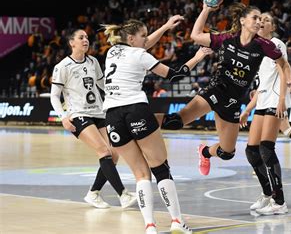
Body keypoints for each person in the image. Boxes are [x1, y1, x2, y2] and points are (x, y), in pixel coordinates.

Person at [102, 16, 210, 234]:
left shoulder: (112, 52)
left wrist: (165, 27)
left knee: (141, 175)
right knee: (160, 168)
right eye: (143, 35)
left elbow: (143, 45)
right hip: (135, 110)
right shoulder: (140, 54)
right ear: (131, 38)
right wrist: (198, 57)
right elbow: (175, 75)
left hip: (112, 117)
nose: (146, 39)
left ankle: (149, 226)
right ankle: (176, 222)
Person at [160, 2, 291, 179]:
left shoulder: (264, 45)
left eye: (261, 19)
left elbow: (284, 65)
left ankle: (205, 152)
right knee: (174, 122)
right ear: (243, 20)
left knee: (227, 153)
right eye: (255, 17)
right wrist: (206, 9)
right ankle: (142, 120)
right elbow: (195, 35)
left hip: (233, 101)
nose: (259, 21)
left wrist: (285, 90)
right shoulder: (227, 38)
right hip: (215, 90)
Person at [50, 29, 137, 210]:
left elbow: (103, 85)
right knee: (103, 151)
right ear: (71, 43)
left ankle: (93, 193)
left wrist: (120, 95)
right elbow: (54, 96)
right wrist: (63, 117)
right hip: (78, 115)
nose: (85, 40)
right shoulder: (62, 66)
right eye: (81, 38)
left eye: (87, 38)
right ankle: (123, 194)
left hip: (99, 112)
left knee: (114, 153)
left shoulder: (93, 61)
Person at [238, 12, 291, 215]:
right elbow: (261, 86)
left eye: (267, 20)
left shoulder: (276, 43)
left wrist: (281, 101)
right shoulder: (258, 48)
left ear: (273, 27)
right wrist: (247, 109)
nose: (262, 22)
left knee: (266, 149)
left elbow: (283, 70)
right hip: (263, 101)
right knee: (251, 151)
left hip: (275, 101)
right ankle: (267, 193)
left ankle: (280, 202)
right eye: (261, 20)